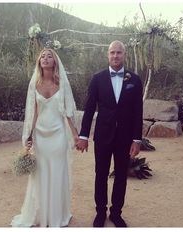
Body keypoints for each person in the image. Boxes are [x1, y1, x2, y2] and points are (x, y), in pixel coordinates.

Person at [76, 40, 143, 227]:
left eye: (119, 52)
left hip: (125, 137)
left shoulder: (135, 80)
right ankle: (100, 212)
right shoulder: (97, 78)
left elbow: (138, 111)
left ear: (124, 54)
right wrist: (83, 135)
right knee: (101, 174)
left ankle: (116, 213)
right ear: (108, 55)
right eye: (112, 52)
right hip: (103, 136)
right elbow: (89, 109)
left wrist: (137, 139)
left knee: (121, 175)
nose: (115, 56)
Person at [11, 48, 78, 227]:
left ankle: (57, 215)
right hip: (40, 136)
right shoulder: (34, 84)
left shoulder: (62, 83)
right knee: (40, 176)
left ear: (55, 62)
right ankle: (42, 215)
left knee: (57, 174)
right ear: (39, 62)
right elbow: (33, 112)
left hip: (58, 135)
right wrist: (29, 135)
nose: (45, 59)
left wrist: (75, 135)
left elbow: (69, 112)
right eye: (42, 56)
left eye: (49, 56)